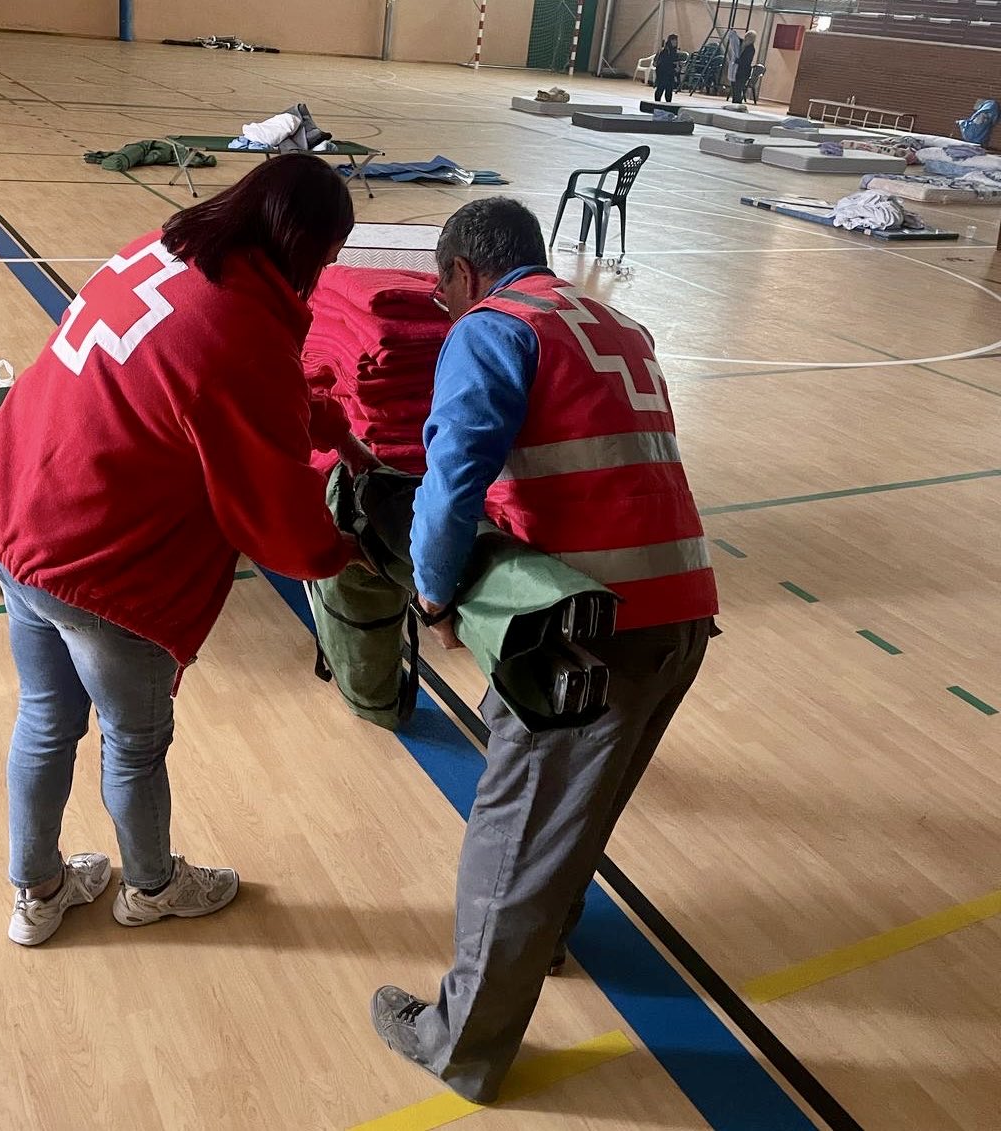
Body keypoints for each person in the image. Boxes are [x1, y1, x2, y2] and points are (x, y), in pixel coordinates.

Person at [0, 155, 374, 947]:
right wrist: (341, 551)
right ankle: (150, 888)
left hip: (13, 506)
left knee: (46, 717)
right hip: (97, 566)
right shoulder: (246, 328)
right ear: (299, 245)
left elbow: (214, 393)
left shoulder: (165, 250)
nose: (321, 278)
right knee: (136, 743)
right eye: (324, 258)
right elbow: (276, 517)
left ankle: (37, 892)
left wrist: (327, 426)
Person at [370, 198, 719, 1104]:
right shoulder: (615, 321)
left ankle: (460, 1044)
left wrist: (435, 589)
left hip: (592, 629)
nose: (445, 307)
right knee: (578, 812)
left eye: (443, 290)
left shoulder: (491, 328)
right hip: (681, 612)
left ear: (463, 274)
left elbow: (453, 476)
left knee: (512, 835)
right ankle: (549, 934)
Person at [653, 33, 680, 103]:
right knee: (661, 88)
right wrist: (673, 64)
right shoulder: (664, 51)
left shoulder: (674, 51)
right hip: (662, 72)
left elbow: (676, 61)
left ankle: (668, 104)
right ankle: (657, 103)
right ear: (670, 41)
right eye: (673, 41)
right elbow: (663, 62)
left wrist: (677, 67)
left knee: (669, 90)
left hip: (670, 73)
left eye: (676, 41)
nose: (675, 43)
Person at [731, 30, 757, 104]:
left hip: (744, 71)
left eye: (748, 36)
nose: (746, 37)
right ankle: (734, 102)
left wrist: (737, 61)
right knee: (734, 86)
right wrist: (733, 33)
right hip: (737, 69)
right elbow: (737, 40)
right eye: (746, 35)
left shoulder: (751, 49)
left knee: (738, 87)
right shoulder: (743, 43)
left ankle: (737, 102)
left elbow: (746, 61)